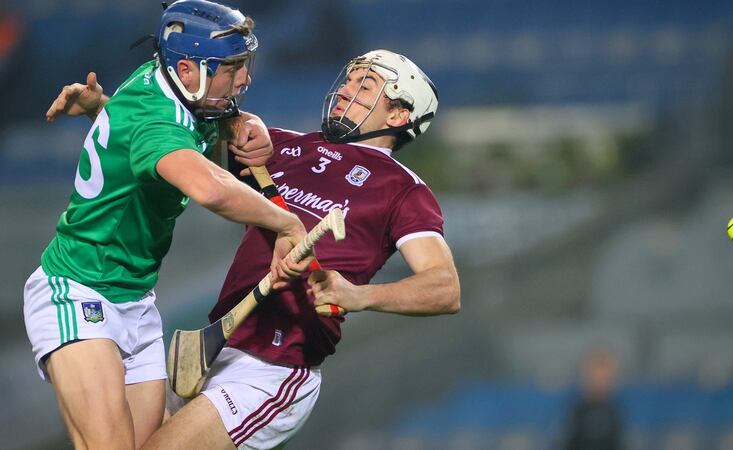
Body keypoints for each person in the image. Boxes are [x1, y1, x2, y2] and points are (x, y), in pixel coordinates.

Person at [53, 48, 461, 449]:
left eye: (366, 85)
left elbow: (444, 288)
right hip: (214, 343)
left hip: (273, 367)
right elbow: (170, 147)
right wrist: (106, 109)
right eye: (349, 79)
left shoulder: (403, 190)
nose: (345, 90)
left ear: (398, 116)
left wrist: (358, 295)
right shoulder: (282, 147)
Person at [24, 2, 310, 449]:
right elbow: (209, 189)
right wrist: (287, 222)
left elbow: (186, 125)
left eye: (244, 65)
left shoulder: (167, 84)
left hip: (136, 302)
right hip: (80, 290)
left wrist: (242, 123)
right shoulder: (159, 121)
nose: (245, 79)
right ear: (187, 68)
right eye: (232, 68)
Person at [561, 349, 625, 450]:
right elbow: (567, 442)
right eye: (597, 376)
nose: (601, 382)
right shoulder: (577, 410)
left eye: (606, 378)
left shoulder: (615, 412)